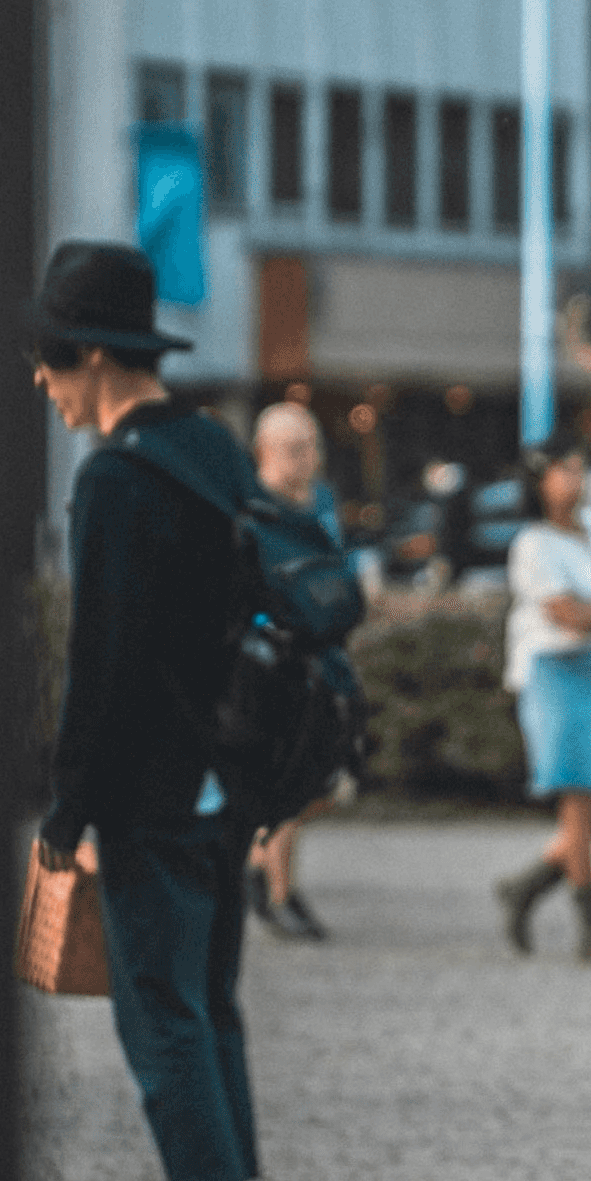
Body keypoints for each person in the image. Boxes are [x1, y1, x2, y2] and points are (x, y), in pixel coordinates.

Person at [31, 240, 261, 1181]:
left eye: (49, 362)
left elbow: (103, 660)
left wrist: (69, 805)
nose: (42, 383)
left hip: (155, 788)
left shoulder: (119, 478)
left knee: (157, 1007)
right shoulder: (212, 450)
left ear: (89, 357)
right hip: (229, 776)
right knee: (207, 1000)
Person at [494, 445, 591, 965]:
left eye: (581, 468)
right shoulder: (534, 546)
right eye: (565, 469)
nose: (576, 479)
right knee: (580, 801)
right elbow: (569, 619)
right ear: (538, 481)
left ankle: (527, 885)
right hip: (556, 673)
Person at [244, 400, 343, 942]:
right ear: (265, 451)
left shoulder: (319, 503)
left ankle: (263, 870)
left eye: (314, 448)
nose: (309, 459)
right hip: (269, 662)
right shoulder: (253, 508)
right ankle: (278, 890)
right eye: (296, 449)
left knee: (314, 783)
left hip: (318, 657)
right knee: (287, 778)